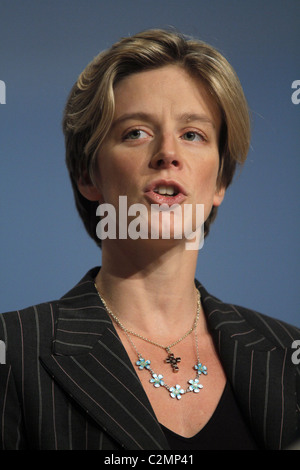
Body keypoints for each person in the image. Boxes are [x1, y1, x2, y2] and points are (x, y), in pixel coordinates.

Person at [0, 28, 299, 451]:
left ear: (220, 181)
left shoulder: (289, 355)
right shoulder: (12, 353)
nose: (168, 153)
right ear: (89, 176)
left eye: (193, 134)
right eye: (136, 132)